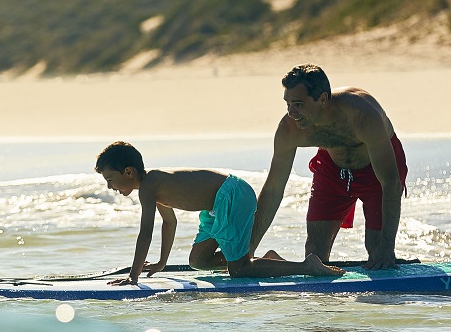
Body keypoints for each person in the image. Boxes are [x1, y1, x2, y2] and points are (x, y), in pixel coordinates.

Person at [94, 141, 344, 286]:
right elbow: (168, 223)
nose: (110, 187)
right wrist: (161, 263)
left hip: (232, 195)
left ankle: (305, 266)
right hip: (215, 206)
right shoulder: (151, 185)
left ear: (128, 172)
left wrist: (133, 276)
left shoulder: (149, 186)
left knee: (239, 270)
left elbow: (145, 233)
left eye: (110, 180)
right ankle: (267, 261)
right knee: (198, 262)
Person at [254, 64, 409, 270]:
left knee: (377, 250)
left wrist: (387, 247)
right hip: (333, 169)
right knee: (314, 255)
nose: (291, 113)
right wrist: (246, 251)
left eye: (298, 104)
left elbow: (390, 182)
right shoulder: (289, 130)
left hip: (376, 170)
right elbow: (273, 189)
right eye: (288, 104)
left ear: (323, 99)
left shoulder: (362, 116)